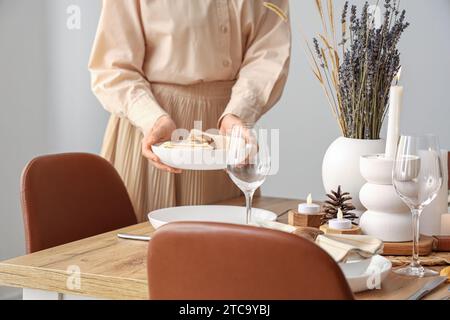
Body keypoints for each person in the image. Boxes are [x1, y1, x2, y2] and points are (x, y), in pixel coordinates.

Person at [89, 0, 291, 222]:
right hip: (155, 134)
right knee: (138, 250)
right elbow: (113, 67)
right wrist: (151, 118)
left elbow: (269, 52)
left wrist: (239, 112)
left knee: (226, 248)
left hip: (224, 137)